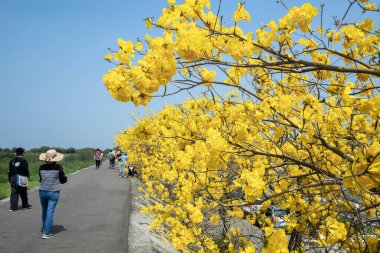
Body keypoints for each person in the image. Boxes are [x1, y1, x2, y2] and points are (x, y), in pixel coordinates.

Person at [39, 149, 67, 239]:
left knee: (44, 211)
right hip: (53, 192)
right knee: (50, 212)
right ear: (56, 158)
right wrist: (65, 178)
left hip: (42, 191)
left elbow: (41, 179)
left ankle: (44, 228)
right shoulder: (59, 167)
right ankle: (47, 233)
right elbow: (62, 180)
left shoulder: (41, 167)